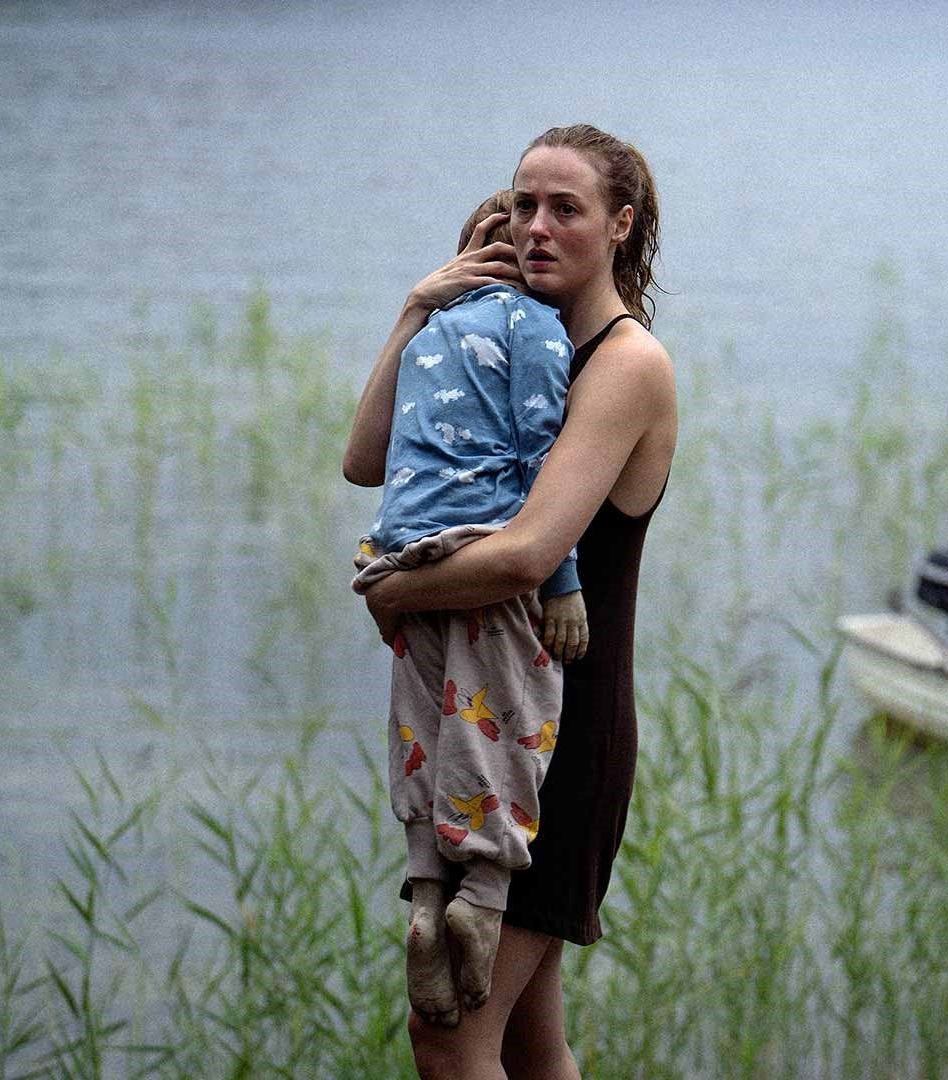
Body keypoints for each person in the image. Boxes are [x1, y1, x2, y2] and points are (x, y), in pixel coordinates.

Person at [345, 124, 676, 1080]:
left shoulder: (624, 364)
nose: (535, 226)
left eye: (564, 208)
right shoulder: (495, 340)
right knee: (532, 1045)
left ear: (619, 225)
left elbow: (529, 554)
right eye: (523, 203)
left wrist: (393, 588)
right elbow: (366, 461)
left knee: (449, 1040)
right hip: (483, 718)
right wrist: (418, 309)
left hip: (556, 742)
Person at [344, 190, 591, 1030]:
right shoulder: (540, 330)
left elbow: (364, 465)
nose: (539, 235)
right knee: (505, 718)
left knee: (425, 719)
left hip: (399, 543)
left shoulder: (431, 336)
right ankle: (479, 896)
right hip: (482, 547)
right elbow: (538, 458)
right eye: (527, 221)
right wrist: (561, 582)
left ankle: (422, 889)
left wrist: (418, 305)